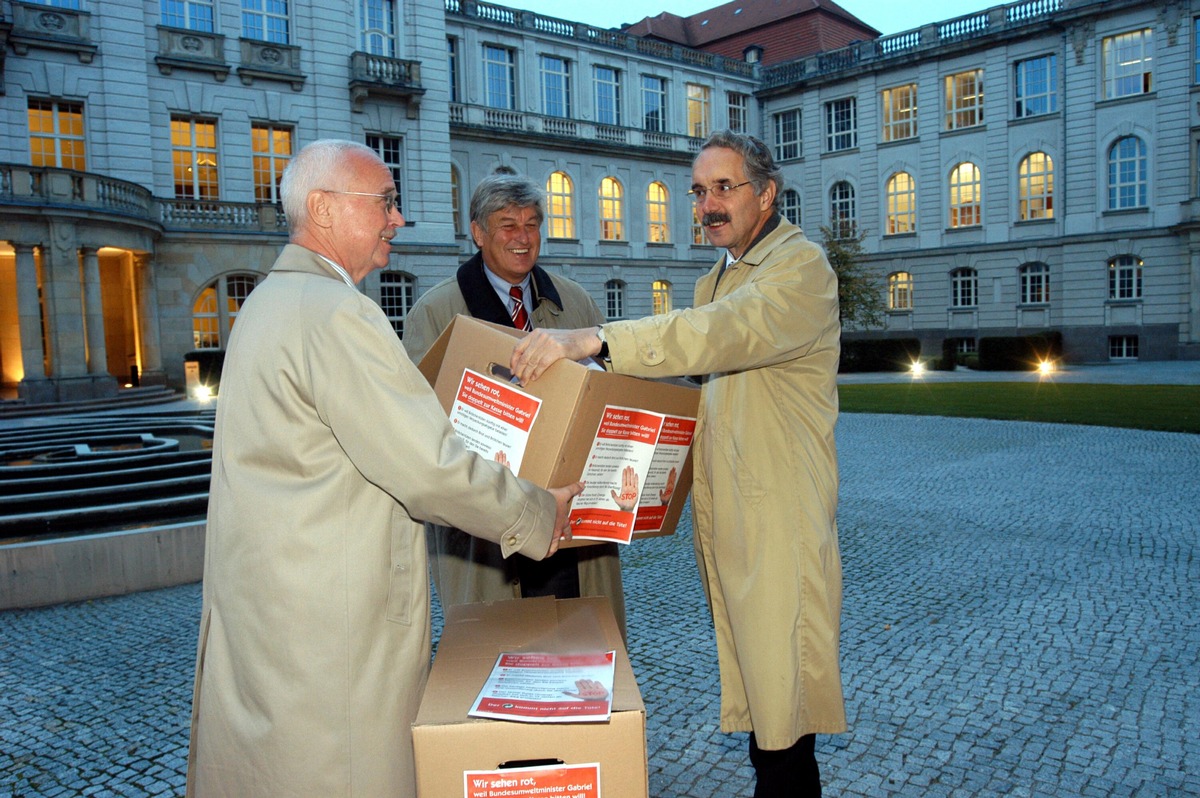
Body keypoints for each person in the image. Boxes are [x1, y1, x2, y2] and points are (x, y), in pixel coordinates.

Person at [186, 139, 582, 798]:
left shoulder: (268, 303)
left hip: (278, 620)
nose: (398, 219)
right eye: (385, 203)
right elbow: (431, 468)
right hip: (330, 639)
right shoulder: (338, 315)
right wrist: (542, 511)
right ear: (323, 208)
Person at [509, 130, 846, 797]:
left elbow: (722, 334)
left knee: (784, 708)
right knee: (762, 702)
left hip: (780, 516)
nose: (708, 204)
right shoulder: (715, 276)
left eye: (725, 187)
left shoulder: (800, 268)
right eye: (699, 191)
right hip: (730, 514)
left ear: (767, 193)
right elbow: (699, 393)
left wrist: (596, 338)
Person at [403, 171, 626, 638]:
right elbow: (419, 432)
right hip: (487, 536)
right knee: (500, 662)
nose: (523, 238)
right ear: (478, 232)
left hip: (574, 526)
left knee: (583, 655)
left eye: (531, 224)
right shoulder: (436, 312)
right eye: (507, 225)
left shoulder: (576, 303)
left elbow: (612, 397)